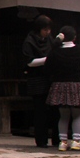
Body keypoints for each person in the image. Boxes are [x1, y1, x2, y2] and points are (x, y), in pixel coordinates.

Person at [45, 26, 80, 151]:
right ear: (74, 37)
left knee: (63, 115)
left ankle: (63, 141)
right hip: (75, 84)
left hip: (59, 85)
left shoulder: (55, 51)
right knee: (77, 114)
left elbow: (48, 66)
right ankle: (76, 141)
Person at [22, 15, 59, 148]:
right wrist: (47, 59)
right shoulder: (30, 41)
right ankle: (41, 140)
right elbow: (29, 62)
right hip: (36, 79)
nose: (47, 32)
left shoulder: (50, 39)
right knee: (40, 111)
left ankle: (57, 139)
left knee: (55, 110)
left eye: (49, 29)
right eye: (45, 29)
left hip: (50, 78)